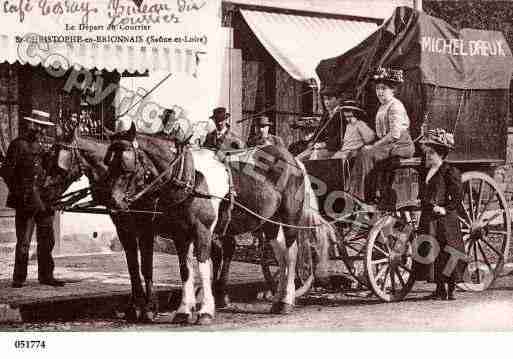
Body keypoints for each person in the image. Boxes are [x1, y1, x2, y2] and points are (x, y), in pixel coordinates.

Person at [1, 109, 65, 288]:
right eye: (40, 127)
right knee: (24, 242)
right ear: (32, 126)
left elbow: (52, 171)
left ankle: (46, 276)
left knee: (47, 240)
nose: (43, 131)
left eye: (44, 128)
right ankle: (18, 278)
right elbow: (6, 172)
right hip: (26, 201)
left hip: (45, 200)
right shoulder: (18, 145)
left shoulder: (47, 146)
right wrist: (20, 193)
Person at [348, 67, 415, 206]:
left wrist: (374, 146)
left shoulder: (395, 106)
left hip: (401, 144)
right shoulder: (382, 107)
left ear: (393, 90)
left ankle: (363, 197)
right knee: (358, 152)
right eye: (378, 88)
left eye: (383, 88)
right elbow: (380, 134)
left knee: (367, 153)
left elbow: (394, 135)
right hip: (389, 143)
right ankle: (355, 192)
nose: (380, 92)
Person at [414, 128, 466, 300]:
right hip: (430, 218)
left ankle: (451, 289)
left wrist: (445, 209)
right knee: (433, 252)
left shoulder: (450, 171)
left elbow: (458, 196)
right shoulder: (427, 171)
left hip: (445, 219)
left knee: (447, 252)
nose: (428, 156)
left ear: (441, 155)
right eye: (427, 153)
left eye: (432, 153)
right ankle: (439, 288)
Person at [304, 85, 346, 159]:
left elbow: (341, 137)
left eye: (329, 99)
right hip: (321, 146)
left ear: (338, 100)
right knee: (298, 154)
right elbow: (319, 130)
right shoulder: (326, 114)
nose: (326, 102)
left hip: (334, 148)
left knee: (316, 156)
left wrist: (325, 144)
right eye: (324, 99)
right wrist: (312, 141)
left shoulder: (342, 114)